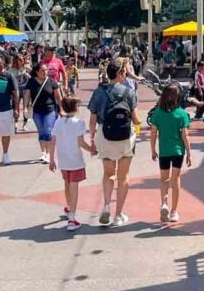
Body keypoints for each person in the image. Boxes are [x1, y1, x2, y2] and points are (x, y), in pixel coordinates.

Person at [87, 59, 140, 227]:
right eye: (124, 72)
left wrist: (93, 140)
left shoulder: (99, 92)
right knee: (123, 177)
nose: (125, 75)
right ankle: (118, 215)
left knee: (109, 173)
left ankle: (107, 205)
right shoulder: (129, 92)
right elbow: (136, 120)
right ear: (118, 74)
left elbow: (92, 120)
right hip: (125, 137)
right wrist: (138, 129)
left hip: (105, 134)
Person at [149, 82, 192, 224]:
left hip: (164, 151)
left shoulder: (157, 113)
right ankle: (174, 211)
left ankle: (164, 203)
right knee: (176, 179)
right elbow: (185, 135)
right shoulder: (182, 114)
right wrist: (189, 153)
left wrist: (153, 150)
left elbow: (153, 133)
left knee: (164, 179)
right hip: (178, 151)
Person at [49, 96, 93, 231]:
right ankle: (72, 218)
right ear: (75, 108)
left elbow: (53, 141)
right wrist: (92, 149)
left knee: (67, 184)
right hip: (75, 159)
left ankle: (69, 208)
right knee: (74, 187)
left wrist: (51, 159)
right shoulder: (79, 123)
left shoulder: (58, 122)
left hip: (63, 159)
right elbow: (81, 142)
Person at [24, 61, 61, 164]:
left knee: (48, 131)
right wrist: (25, 107)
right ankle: (43, 152)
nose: (45, 72)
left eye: (46, 70)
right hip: (37, 111)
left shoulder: (51, 82)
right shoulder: (31, 82)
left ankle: (49, 154)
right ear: (36, 72)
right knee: (41, 132)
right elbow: (27, 95)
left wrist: (62, 109)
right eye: (42, 70)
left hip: (50, 110)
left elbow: (58, 97)